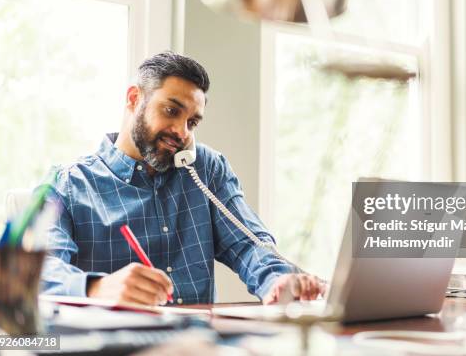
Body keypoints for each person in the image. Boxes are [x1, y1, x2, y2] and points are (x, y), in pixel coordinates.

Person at [40, 51, 325, 305]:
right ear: (134, 99)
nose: (181, 131)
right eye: (171, 111)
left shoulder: (206, 169)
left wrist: (277, 280)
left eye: (192, 122)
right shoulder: (67, 185)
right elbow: (38, 269)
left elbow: (249, 243)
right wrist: (97, 287)